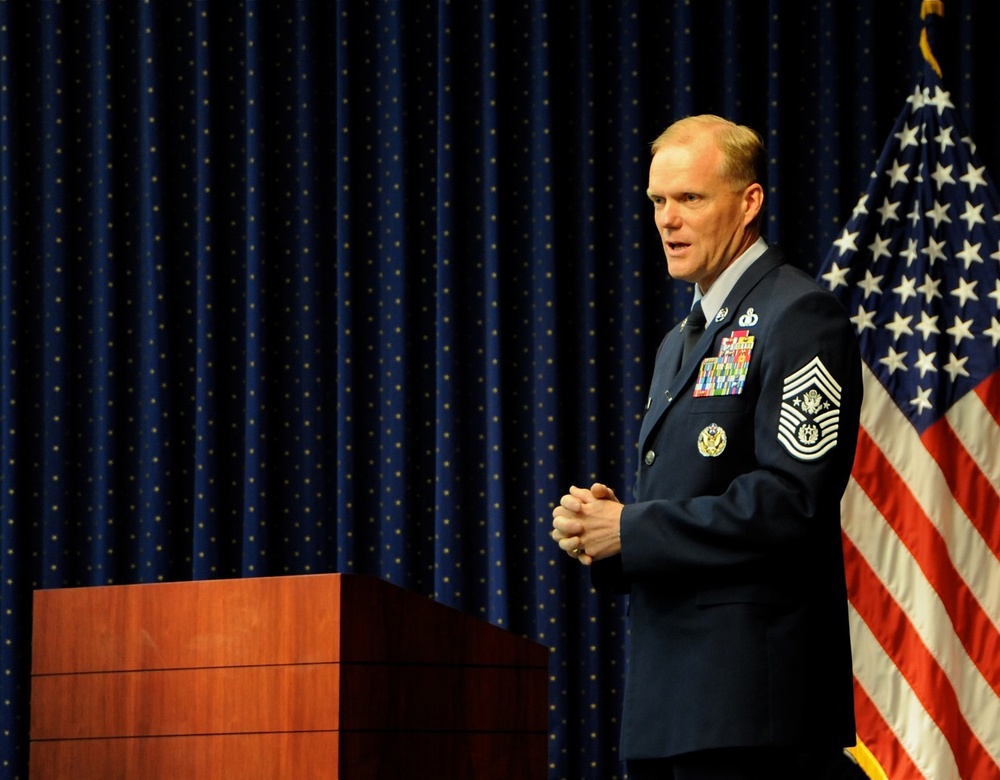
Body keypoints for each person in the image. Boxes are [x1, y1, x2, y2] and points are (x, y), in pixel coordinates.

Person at [550, 115, 868, 780]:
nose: (668, 220)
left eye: (690, 199)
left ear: (749, 202)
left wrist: (632, 528)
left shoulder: (799, 315)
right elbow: (695, 493)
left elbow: (791, 501)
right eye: (658, 202)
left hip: (750, 709)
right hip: (674, 706)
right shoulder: (682, 338)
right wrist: (607, 532)